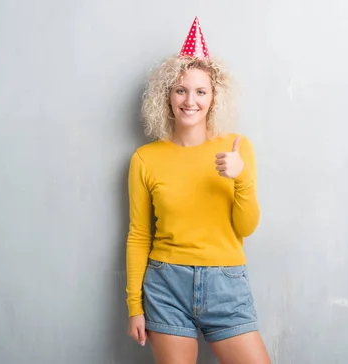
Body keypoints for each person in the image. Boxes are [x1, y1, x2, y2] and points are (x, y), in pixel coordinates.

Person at [125, 16, 271, 364]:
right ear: (168, 96)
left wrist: (241, 178)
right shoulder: (145, 159)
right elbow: (139, 234)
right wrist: (134, 305)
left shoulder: (237, 147)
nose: (190, 100)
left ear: (213, 98)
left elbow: (246, 228)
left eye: (200, 91)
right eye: (181, 90)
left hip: (226, 284)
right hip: (166, 285)